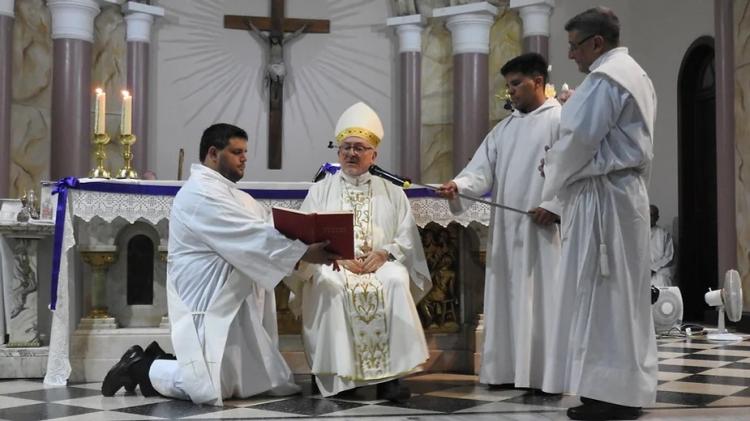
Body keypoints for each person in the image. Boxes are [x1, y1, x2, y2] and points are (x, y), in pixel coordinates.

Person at [101, 123, 339, 406]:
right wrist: (302, 252)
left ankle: (162, 360)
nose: (244, 158)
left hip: (235, 295)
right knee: (207, 387)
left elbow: (269, 230)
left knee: (266, 381)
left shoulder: (239, 196)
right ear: (213, 153)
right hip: (210, 297)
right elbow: (249, 235)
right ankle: (140, 366)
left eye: (246, 152)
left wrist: (308, 247)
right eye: (237, 152)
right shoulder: (199, 193)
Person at [540, 7, 658, 420]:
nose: (571, 55)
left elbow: (578, 142)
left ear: (596, 43)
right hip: (621, 196)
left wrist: (550, 166)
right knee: (620, 298)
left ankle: (615, 398)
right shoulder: (633, 73)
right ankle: (607, 388)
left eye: (574, 46)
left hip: (605, 200)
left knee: (605, 296)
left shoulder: (607, 79)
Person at [288, 102, 432, 402]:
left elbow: (407, 238)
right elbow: (304, 235)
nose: (352, 153)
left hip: (379, 263)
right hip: (334, 264)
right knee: (330, 283)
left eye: (359, 148)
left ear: (373, 155)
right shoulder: (320, 190)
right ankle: (336, 373)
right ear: (338, 152)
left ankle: (392, 377)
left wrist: (385, 253)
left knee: (394, 280)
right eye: (346, 147)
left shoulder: (392, 191)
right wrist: (335, 257)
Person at [436, 53, 562, 392]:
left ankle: (543, 377)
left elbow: (573, 171)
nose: (511, 92)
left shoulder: (560, 120)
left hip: (544, 230)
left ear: (538, 81)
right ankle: (506, 370)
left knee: (542, 300)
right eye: (508, 86)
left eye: (517, 84)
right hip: (508, 232)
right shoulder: (504, 130)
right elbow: (479, 171)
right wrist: (458, 186)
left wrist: (554, 205)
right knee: (508, 298)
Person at [650, 205, 674, 287]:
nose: (648, 217)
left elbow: (668, 257)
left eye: (651, 215)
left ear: (657, 218)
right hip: (640, 273)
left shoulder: (664, 234)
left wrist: (652, 269)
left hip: (659, 272)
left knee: (661, 282)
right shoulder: (636, 234)